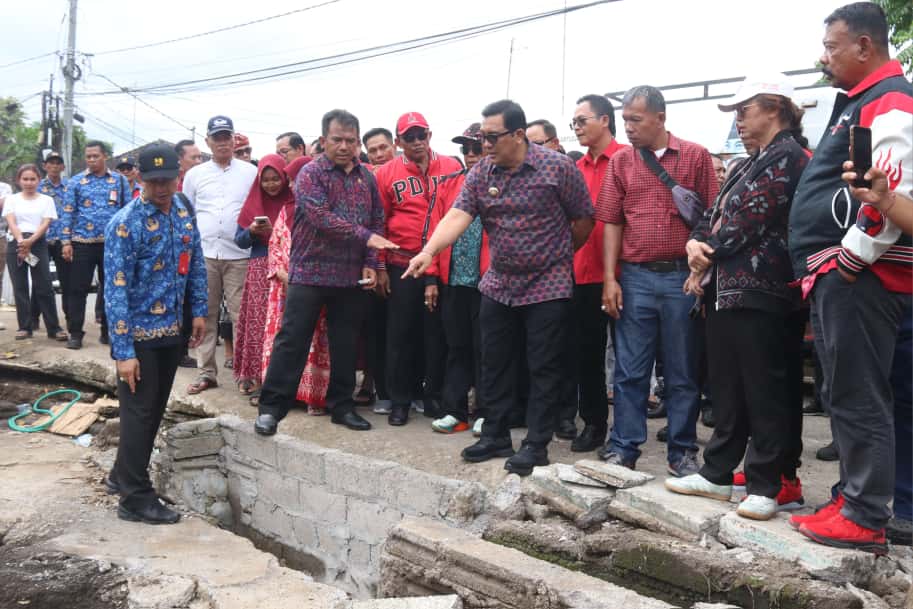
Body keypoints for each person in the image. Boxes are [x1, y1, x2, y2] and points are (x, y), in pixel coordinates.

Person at [403, 99, 594, 476]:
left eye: (492, 137)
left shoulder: (557, 168)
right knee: (493, 362)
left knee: (542, 366)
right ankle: (495, 434)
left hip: (548, 285)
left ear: (519, 134)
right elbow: (458, 214)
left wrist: (559, 254)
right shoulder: (482, 174)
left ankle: (536, 445)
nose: (485, 145)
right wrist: (429, 251)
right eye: (482, 138)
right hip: (499, 283)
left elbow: (584, 219)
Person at [787, 2, 912, 555]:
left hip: (864, 276)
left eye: (832, 47)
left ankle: (864, 516)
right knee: (845, 390)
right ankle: (849, 496)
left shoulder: (889, 100)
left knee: (860, 395)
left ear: (865, 46)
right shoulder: (865, 98)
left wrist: (851, 256)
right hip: (851, 275)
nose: (824, 57)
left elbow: (887, 193)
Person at [664, 73, 809, 521]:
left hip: (763, 289)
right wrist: (695, 244)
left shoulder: (789, 156)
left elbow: (754, 217)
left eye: (744, 111)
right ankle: (717, 473)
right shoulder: (749, 162)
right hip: (726, 290)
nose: (738, 122)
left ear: (774, 108)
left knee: (764, 389)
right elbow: (712, 214)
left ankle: (767, 484)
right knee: (727, 387)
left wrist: (704, 253)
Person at [595, 85, 719, 476]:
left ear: (660, 118)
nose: (627, 127)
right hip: (634, 278)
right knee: (630, 371)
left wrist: (701, 271)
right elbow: (612, 221)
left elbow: (714, 215)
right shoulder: (621, 163)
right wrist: (609, 279)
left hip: (683, 278)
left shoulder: (696, 156)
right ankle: (624, 447)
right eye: (625, 119)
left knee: (683, 371)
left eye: (635, 119)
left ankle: (682, 451)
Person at [254, 109, 397, 436]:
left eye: (351, 140)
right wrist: (365, 237)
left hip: (350, 276)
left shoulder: (367, 178)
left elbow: (377, 220)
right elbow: (321, 216)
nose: (345, 146)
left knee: (345, 343)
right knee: (291, 340)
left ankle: (341, 406)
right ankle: (271, 409)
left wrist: (371, 262)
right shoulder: (311, 174)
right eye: (337, 140)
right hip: (310, 272)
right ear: (323, 141)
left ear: (358, 142)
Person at [103, 143, 207, 524]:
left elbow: (194, 259)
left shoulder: (183, 208)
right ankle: (134, 499)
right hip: (139, 336)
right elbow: (115, 292)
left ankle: (122, 476)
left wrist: (198, 310)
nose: (161, 188)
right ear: (140, 179)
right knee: (139, 413)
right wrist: (123, 351)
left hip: (173, 329)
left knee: (152, 411)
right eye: (154, 182)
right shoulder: (125, 224)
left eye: (168, 180)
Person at [841, 163, 913, 546]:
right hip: (893, 282)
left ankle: (899, 505)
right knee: (883, 397)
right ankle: (867, 498)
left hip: (890, 281)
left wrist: (847, 262)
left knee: (892, 399)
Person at [374, 112, 462, 426]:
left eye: (420, 135)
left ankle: (432, 395)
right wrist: (381, 266)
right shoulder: (385, 173)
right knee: (401, 334)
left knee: (438, 334)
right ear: (399, 142)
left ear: (429, 135)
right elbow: (378, 222)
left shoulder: (452, 167)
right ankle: (400, 400)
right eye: (409, 137)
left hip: (443, 262)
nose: (416, 142)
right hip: (403, 264)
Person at [562, 93, 626, 452]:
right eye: (574, 122)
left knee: (629, 358)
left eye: (582, 120)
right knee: (586, 355)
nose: (577, 127)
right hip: (582, 273)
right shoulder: (577, 169)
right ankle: (594, 423)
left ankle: (626, 431)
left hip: (623, 273)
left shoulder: (629, 160)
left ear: (605, 120)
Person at [183, 115, 258, 395]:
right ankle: (206, 373)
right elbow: (187, 213)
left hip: (240, 254)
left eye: (227, 136)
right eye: (217, 137)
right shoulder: (195, 175)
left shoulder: (250, 171)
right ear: (208, 142)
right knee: (205, 314)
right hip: (204, 256)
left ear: (234, 138)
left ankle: (244, 373)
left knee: (241, 316)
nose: (223, 142)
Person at [427, 123, 490, 435]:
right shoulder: (450, 184)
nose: (471, 155)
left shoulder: (502, 181)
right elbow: (435, 231)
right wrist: (430, 278)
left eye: (477, 148)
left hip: (489, 282)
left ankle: (486, 412)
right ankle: (456, 411)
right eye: (466, 149)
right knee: (457, 346)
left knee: (487, 349)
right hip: (454, 280)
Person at [260, 155, 330, 413]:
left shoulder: (325, 212)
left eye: (295, 179)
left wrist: (303, 278)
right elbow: (275, 246)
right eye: (289, 180)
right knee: (287, 341)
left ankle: (313, 397)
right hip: (284, 288)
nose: (290, 186)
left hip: (313, 287)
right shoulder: (286, 211)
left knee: (313, 340)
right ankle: (283, 395)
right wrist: (283, 274)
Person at [60, 141, 131, 350]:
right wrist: (66, 242)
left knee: (112, 289)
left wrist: (126, 240)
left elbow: (127, 212)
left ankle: (108, 332)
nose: (91, 160)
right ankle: (75, 333)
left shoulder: (119, 181)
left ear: (105, 157)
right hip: (82, 243)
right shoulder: (75, 182)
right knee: (77, 290)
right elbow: (68, 212)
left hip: (112, 244)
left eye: (95, 156)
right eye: (88, 156)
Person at [232, 154, 292, 400]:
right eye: (265, 180)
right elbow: (239, 240)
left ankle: (279, 378)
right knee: (258, 323)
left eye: (275, 178)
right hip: (260, 269)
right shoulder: (253, 204)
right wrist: (252, 232)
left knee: (283, 325)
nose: (270, 184)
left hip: (287, 270)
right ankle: (255, 375)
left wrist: (280, 234)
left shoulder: (293, 201)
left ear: (284, 177)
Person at [4, 164, 67, 341]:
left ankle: (54, 328)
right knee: (20, 287)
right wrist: (21, 242)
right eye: (25, 179)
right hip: (15, 244)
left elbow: (46, 223)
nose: (29, 182)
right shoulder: (12, 199)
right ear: (19, 181)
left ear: (39, 180)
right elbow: (11, 222)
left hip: (38, 244)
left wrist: (30, 242)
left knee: (44, 286)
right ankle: (24, 327)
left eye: (32, 179)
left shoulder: (46, 200)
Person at [34, 151, 70, 331]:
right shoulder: (37, 187)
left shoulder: (70, 186)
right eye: (51, 163)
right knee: (40, 280)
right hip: (40, 241)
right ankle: (33, 319)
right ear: (44, 166)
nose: (54, 166)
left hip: (63, 241)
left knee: (67, 281)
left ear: (63, 167)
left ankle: (70, 319)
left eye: (58, 163)